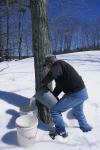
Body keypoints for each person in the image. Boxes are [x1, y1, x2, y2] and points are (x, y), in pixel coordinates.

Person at [41, 54, 92, 138]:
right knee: (78, 112)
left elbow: (52, 74)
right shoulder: (61, 69)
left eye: (47, 65)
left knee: (55, 111)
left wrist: (43, 82)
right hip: (82, 92)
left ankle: (61, 131)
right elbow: (59, 87)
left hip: (75, 94)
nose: (47, 67)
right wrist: (53, 95)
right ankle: (86, 128)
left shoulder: (58, 64)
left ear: (50, 62)